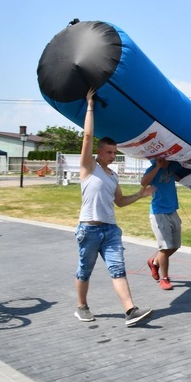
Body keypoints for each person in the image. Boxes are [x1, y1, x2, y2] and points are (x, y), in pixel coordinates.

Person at [74, 88, 154, 327]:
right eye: (109, 152)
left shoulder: (112, 176)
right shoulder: (88, 167)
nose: (112, 156)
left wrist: (140, 194)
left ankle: (130, 311)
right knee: (84, 271)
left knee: (118, 269)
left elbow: (119, 202)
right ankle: (81, 307)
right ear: (98, 152)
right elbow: (87, 137)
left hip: (110, 230)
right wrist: (90, 105)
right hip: (88, 229)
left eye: (114, 153)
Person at [141, 157, 182, 291]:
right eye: (161, 160)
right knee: (165, 248)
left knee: (175, 246)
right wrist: (158, 167)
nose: (164, 161)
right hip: (159, 213)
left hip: (172, 211)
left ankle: (154, 262)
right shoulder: (152, 170)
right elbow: (143, 182)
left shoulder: (171, 167)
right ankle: (164, 279)